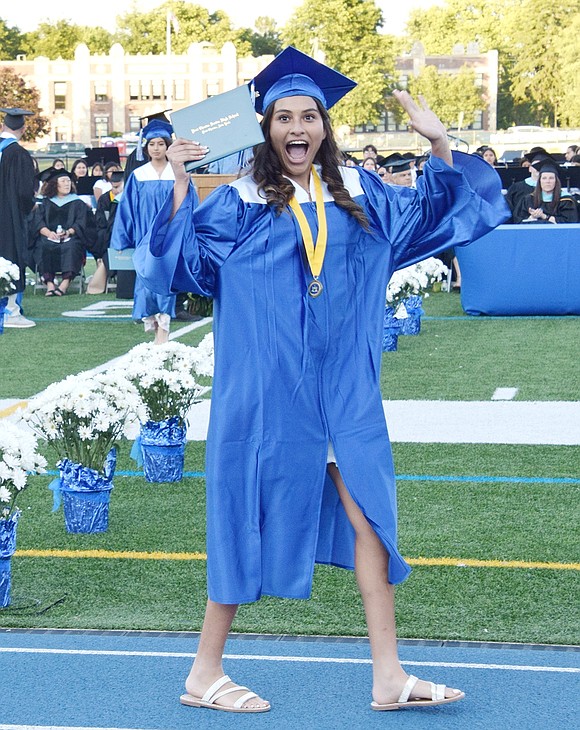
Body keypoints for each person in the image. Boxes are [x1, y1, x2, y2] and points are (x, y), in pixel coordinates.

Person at [136, 47, 508, 714]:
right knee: (244, 517)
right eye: (284, 117)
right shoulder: (242, 204)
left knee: (372, 522)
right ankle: (203, 671)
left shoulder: (361, 198)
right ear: (265, 128)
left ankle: (388, 676)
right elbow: (181, 266)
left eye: (310, 115)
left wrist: (441, 143)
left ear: (325, 127)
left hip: (344, 394)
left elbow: (438, 216)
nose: (298, 127)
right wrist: (183, 181)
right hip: (269, 397)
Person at [112, 119, 191, 343]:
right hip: (144, 238)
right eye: (152, 144)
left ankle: (164, 329)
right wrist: (121, 239)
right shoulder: (139, 176)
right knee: (146, 281)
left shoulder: (178, 174)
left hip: (170, 236)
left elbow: (188, 204)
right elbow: (126, 210)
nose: (156, 148)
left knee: (165, 279)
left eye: (161, 144)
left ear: (168, 146)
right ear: (145, 148)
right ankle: (154, 323)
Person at [29, 168, 97, 295]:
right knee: (42, 245)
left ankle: (64, 284)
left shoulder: (77, 202)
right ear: (55, 184)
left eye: (69, 181)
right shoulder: (44, 202)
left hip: (71, 237)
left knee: (72, 246)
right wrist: (49, 233)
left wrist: (68, 232)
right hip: (48, 237)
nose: (67, 184)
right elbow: (38, 222)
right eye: (63, 181)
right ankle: (50, 284)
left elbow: (82, 222)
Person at [0, 107, 37, 328]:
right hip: (8, 217)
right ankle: (11, 312)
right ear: (23, 128)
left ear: (3, 126)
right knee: (10, 257)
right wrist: (29, 207)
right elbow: (24, 193)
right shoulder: (19, 155)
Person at [512, 159, 579, 224]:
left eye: (551, 178)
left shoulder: (566, 201)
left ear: (556, 181)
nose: (547, 181)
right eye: (544, 178)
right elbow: (519, 221)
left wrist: (544, 216)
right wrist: (532, 217)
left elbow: (570, 223)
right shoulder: (528, 200)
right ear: (539, 181)